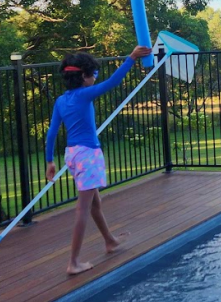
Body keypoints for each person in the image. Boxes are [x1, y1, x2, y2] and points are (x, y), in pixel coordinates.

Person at [45, 44, 153, 275]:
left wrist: (50, 161)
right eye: (93, 74)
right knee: (82, 209)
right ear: (84, 77)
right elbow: (112, 83)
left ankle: (110, 241)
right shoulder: (85, 94)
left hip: (72, 155)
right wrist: (131, 58)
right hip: (87, 155)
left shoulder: (61, 101)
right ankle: (73, 262)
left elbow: (52, 133)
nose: (95, 78)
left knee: (95, 203)